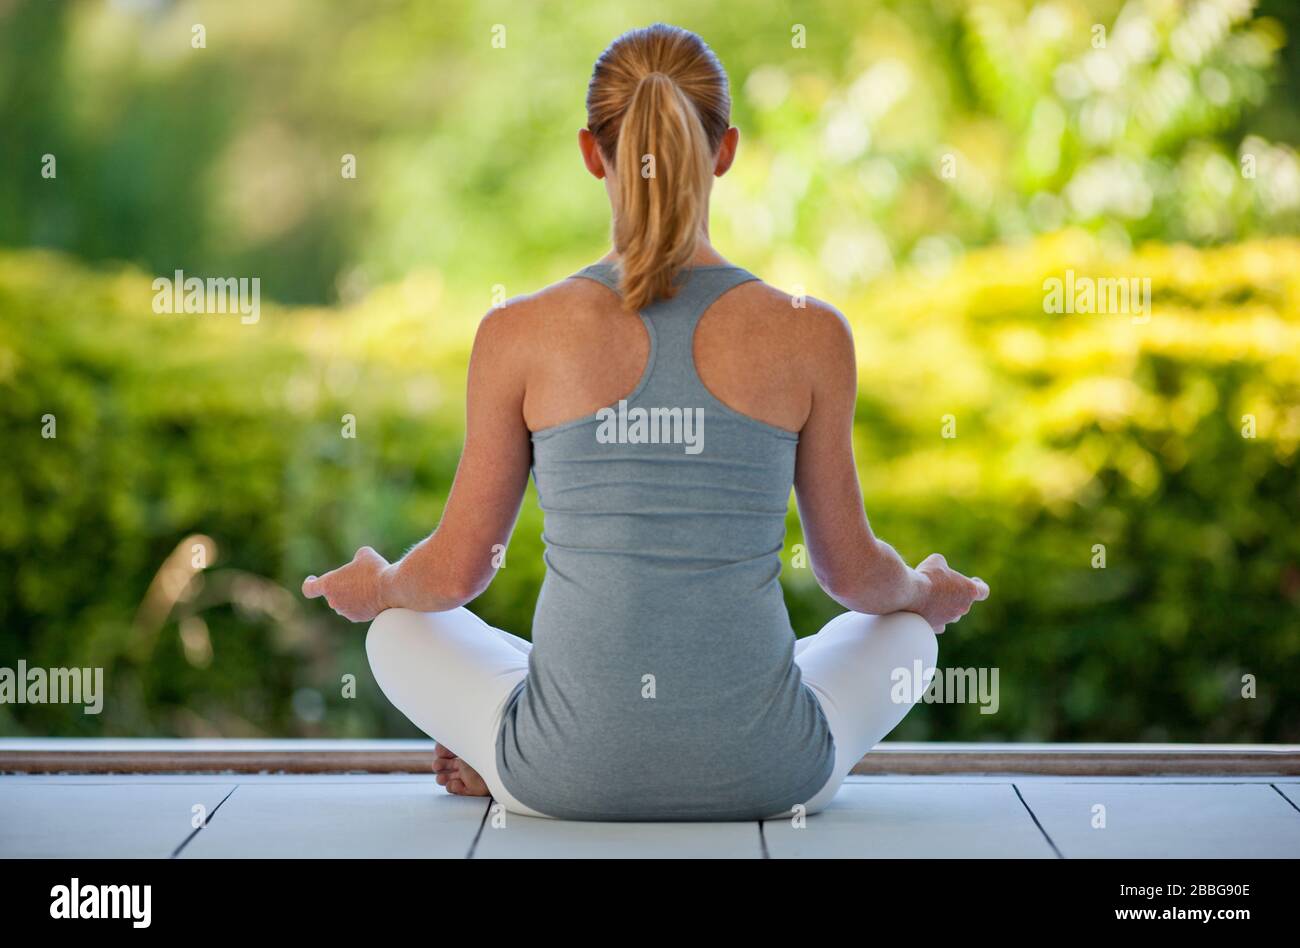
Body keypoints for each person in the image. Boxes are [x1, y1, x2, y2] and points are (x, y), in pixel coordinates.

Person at [303, 23, 988, 821]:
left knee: (396, 631)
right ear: (725, 150)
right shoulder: (812, 332)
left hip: (560, 775)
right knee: (907, 635)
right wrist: (922, 591)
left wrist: (380, 584)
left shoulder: (516, 333)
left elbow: (456, 576)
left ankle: (507, 763)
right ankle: (633, 729)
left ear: (594, 153)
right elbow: (850, 576)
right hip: (774, 775)